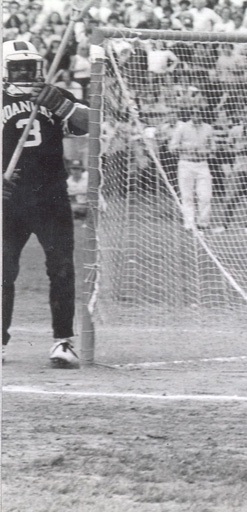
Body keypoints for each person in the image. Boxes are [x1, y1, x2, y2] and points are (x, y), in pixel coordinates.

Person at [2, 40, 90, 367]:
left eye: (29, 66)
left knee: (62, 269)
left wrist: (63, 105)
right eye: (17, 67)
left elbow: (93, 124)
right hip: (9, 200)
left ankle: (62, 342)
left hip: (50, 196)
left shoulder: (54, 96)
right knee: (2, 271)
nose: (25, 73)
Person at [169, 107, 215, 231]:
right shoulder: (182, 128)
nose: (197, 116)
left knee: (205, 195)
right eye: (194, 114)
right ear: (190, 115)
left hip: (202, 164)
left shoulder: (208, 128)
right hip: (186, 164)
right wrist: (188, 148)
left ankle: (203, 223)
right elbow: (172, 147)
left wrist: (204, 152)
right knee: (187, 196)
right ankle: (189, 223)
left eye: (199, 114)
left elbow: (213, 149)